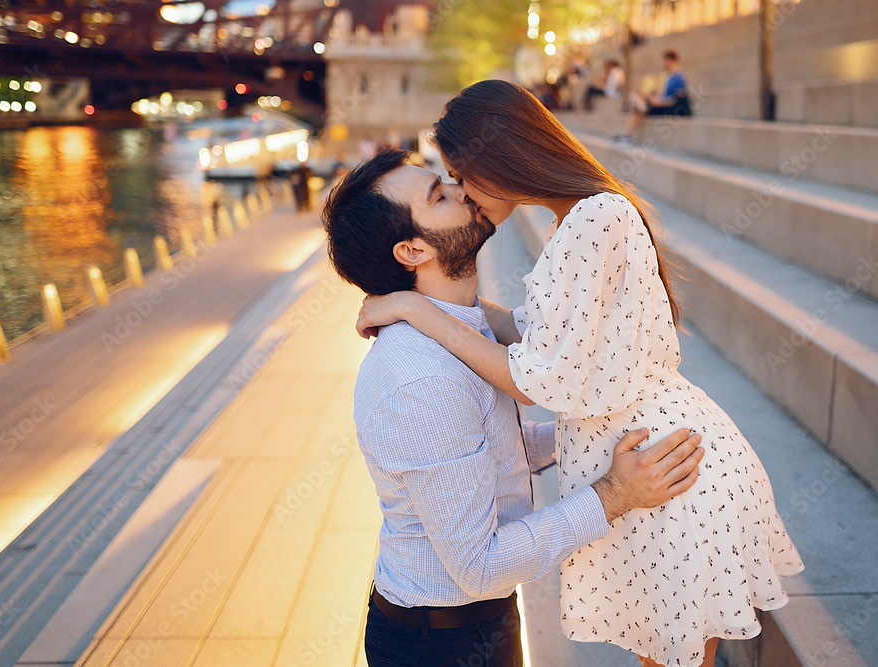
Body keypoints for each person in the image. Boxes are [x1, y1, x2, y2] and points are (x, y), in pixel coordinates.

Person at [355, 81, 804, 667]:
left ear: (504, 156)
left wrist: (417, 309)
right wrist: (435, 311)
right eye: (447, 188)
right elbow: (540, 332)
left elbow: (540, 379)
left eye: (461, 177)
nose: (464, 194)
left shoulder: (593, 217)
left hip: (659, 462)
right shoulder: (586, 216)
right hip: (649, 452)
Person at [323, 148, 706, 667]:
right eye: (440, 196)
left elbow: (491, 449)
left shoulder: (457, 325)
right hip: (440, 643)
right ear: (412, 250)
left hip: (475, 622)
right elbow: (480, 567)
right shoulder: (419, 379)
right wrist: (616, 492)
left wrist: (605, 439)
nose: (463, 191)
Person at [619, 49, 691, 138]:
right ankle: (626, 133)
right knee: (640, 102)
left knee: (640, 108)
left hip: (668, 107)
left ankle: (626, 134)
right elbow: (666, 94)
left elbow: (678, 99)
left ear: (671, 60)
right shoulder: (669, 76)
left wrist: (659, 102)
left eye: (665, 61)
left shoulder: (679, 77)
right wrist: (655, 98)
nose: (663, 63)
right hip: (662, 102)